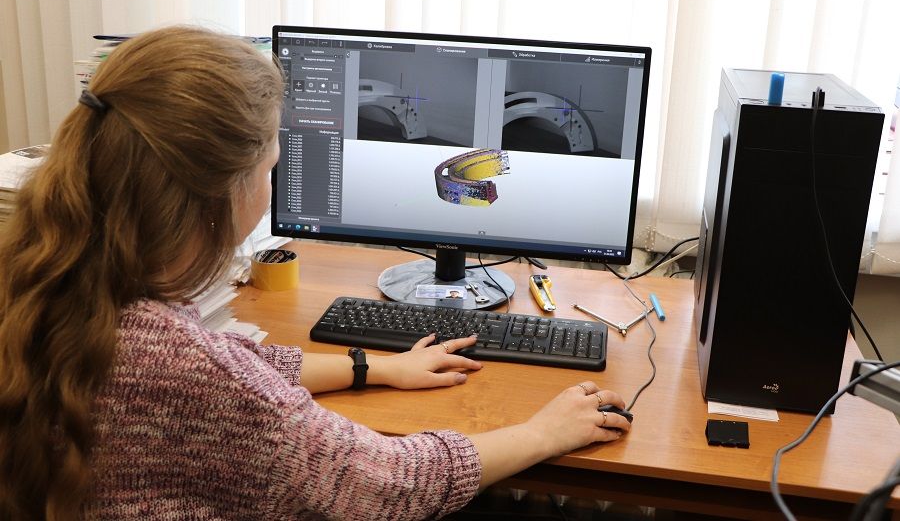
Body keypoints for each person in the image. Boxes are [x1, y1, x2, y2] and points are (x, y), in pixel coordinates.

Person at [0, 26, 631, 520]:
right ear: (220, 194)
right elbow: (390, 484)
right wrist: (543, 432)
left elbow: (234, 363)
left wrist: (373, 366)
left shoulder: (48, 281)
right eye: (270, 169)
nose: (273, 188)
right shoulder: (191, 371)